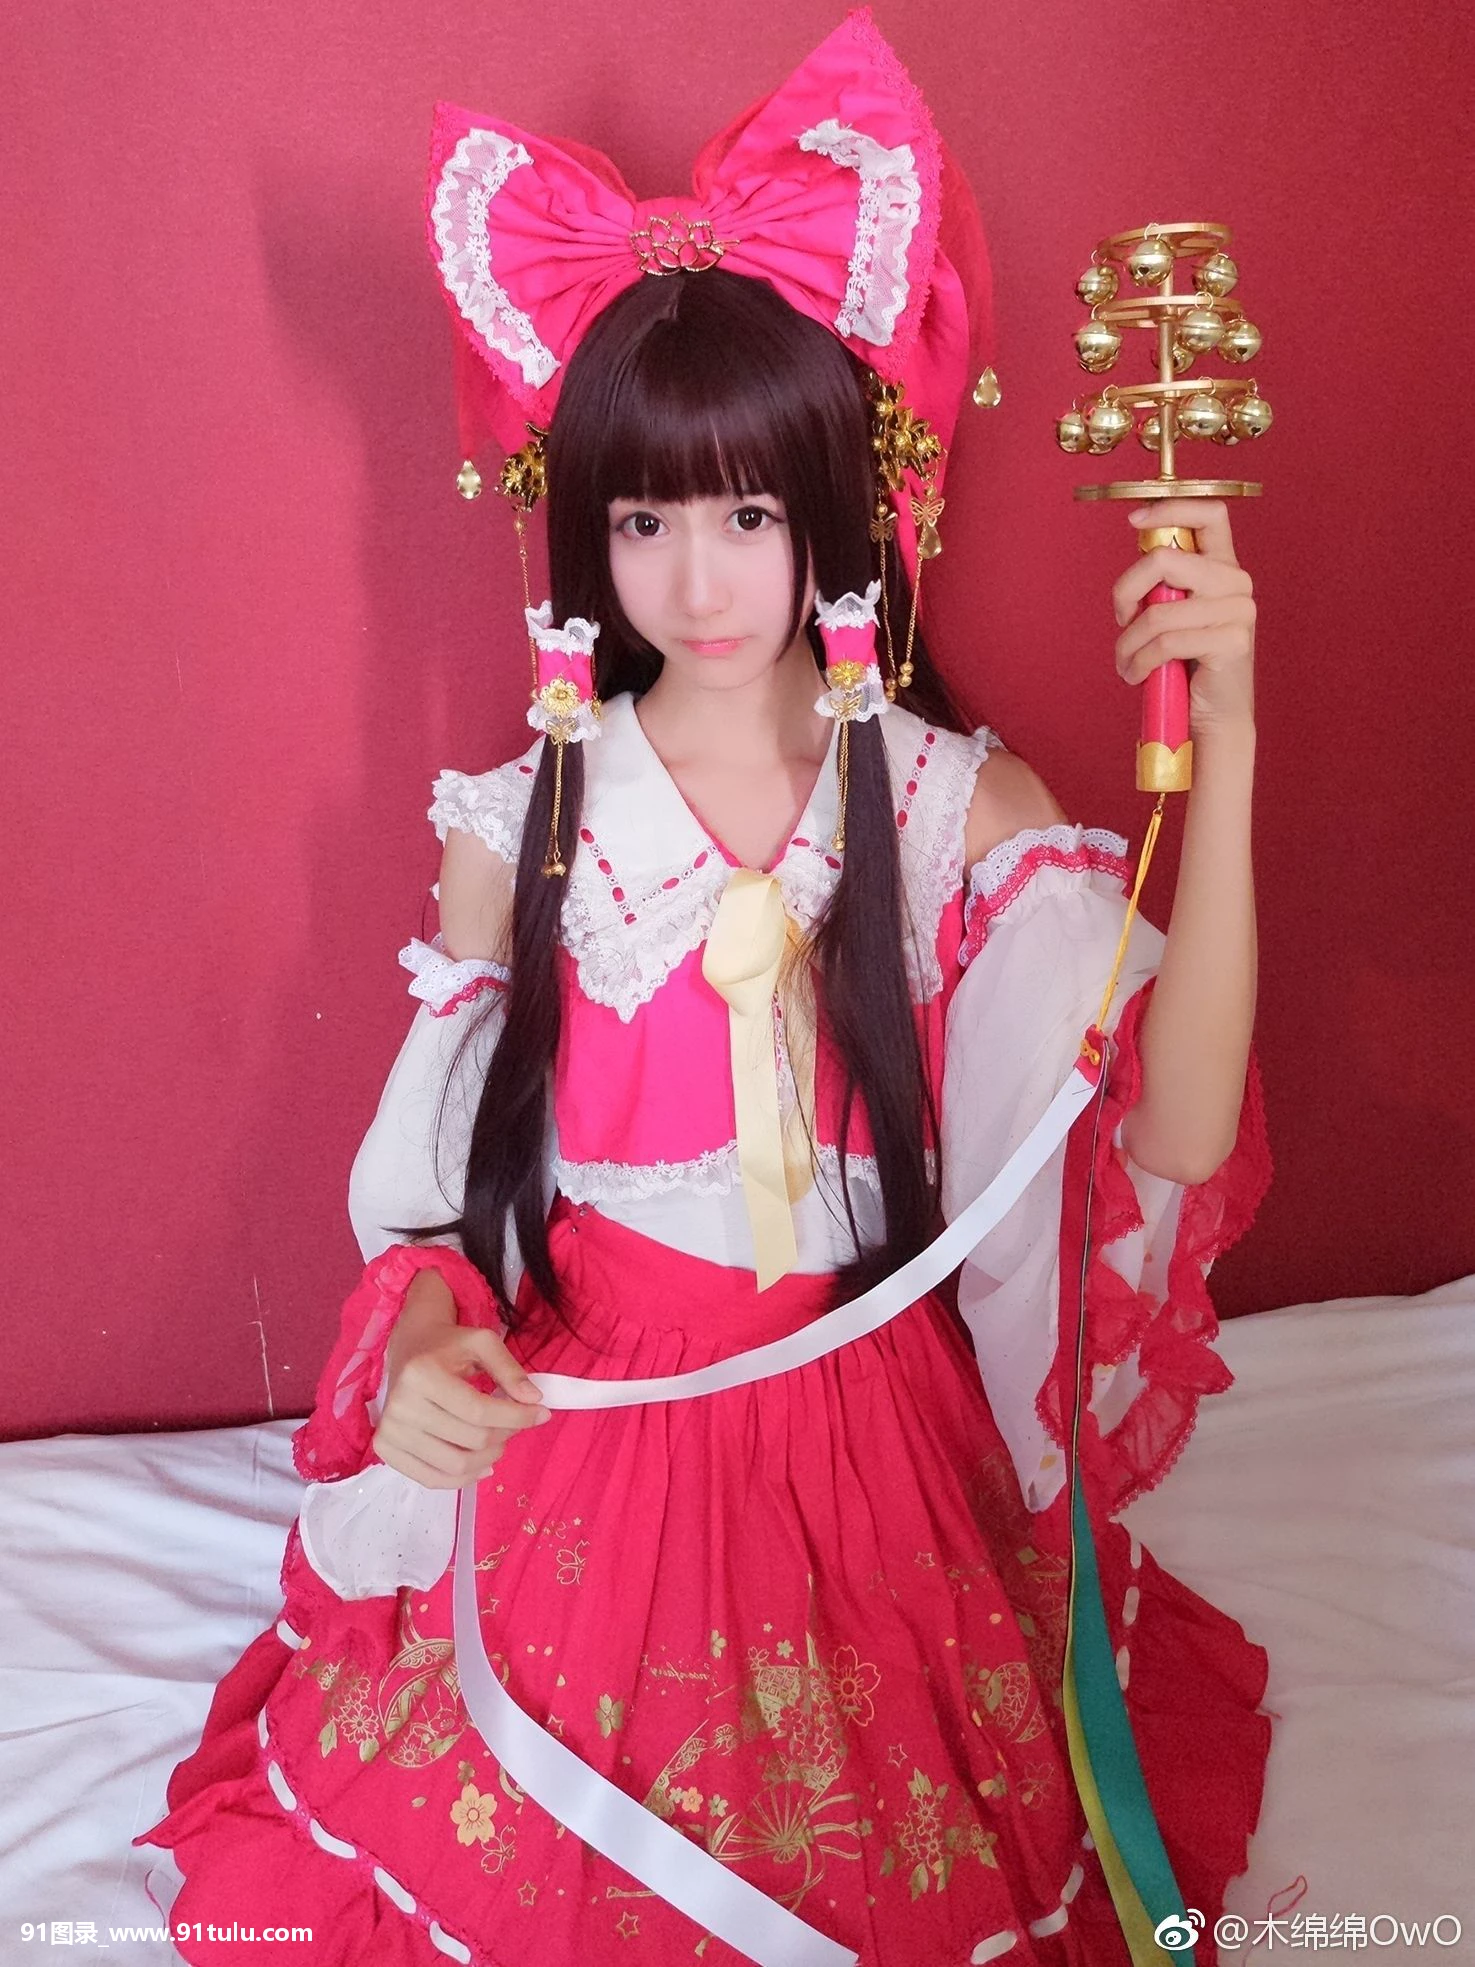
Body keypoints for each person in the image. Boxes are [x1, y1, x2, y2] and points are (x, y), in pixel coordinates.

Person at [137, 12, 1274, 1964]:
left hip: (862, 1431)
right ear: (584, 524)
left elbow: (1162, 1126)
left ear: (839, 498)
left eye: (747, 511)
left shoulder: (943, 802)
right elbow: (431, 1218)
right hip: (583, 1416)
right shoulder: (517, 820)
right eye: (644, 516)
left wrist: (1226, 743)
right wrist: (422, 1348)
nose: (695, 577)